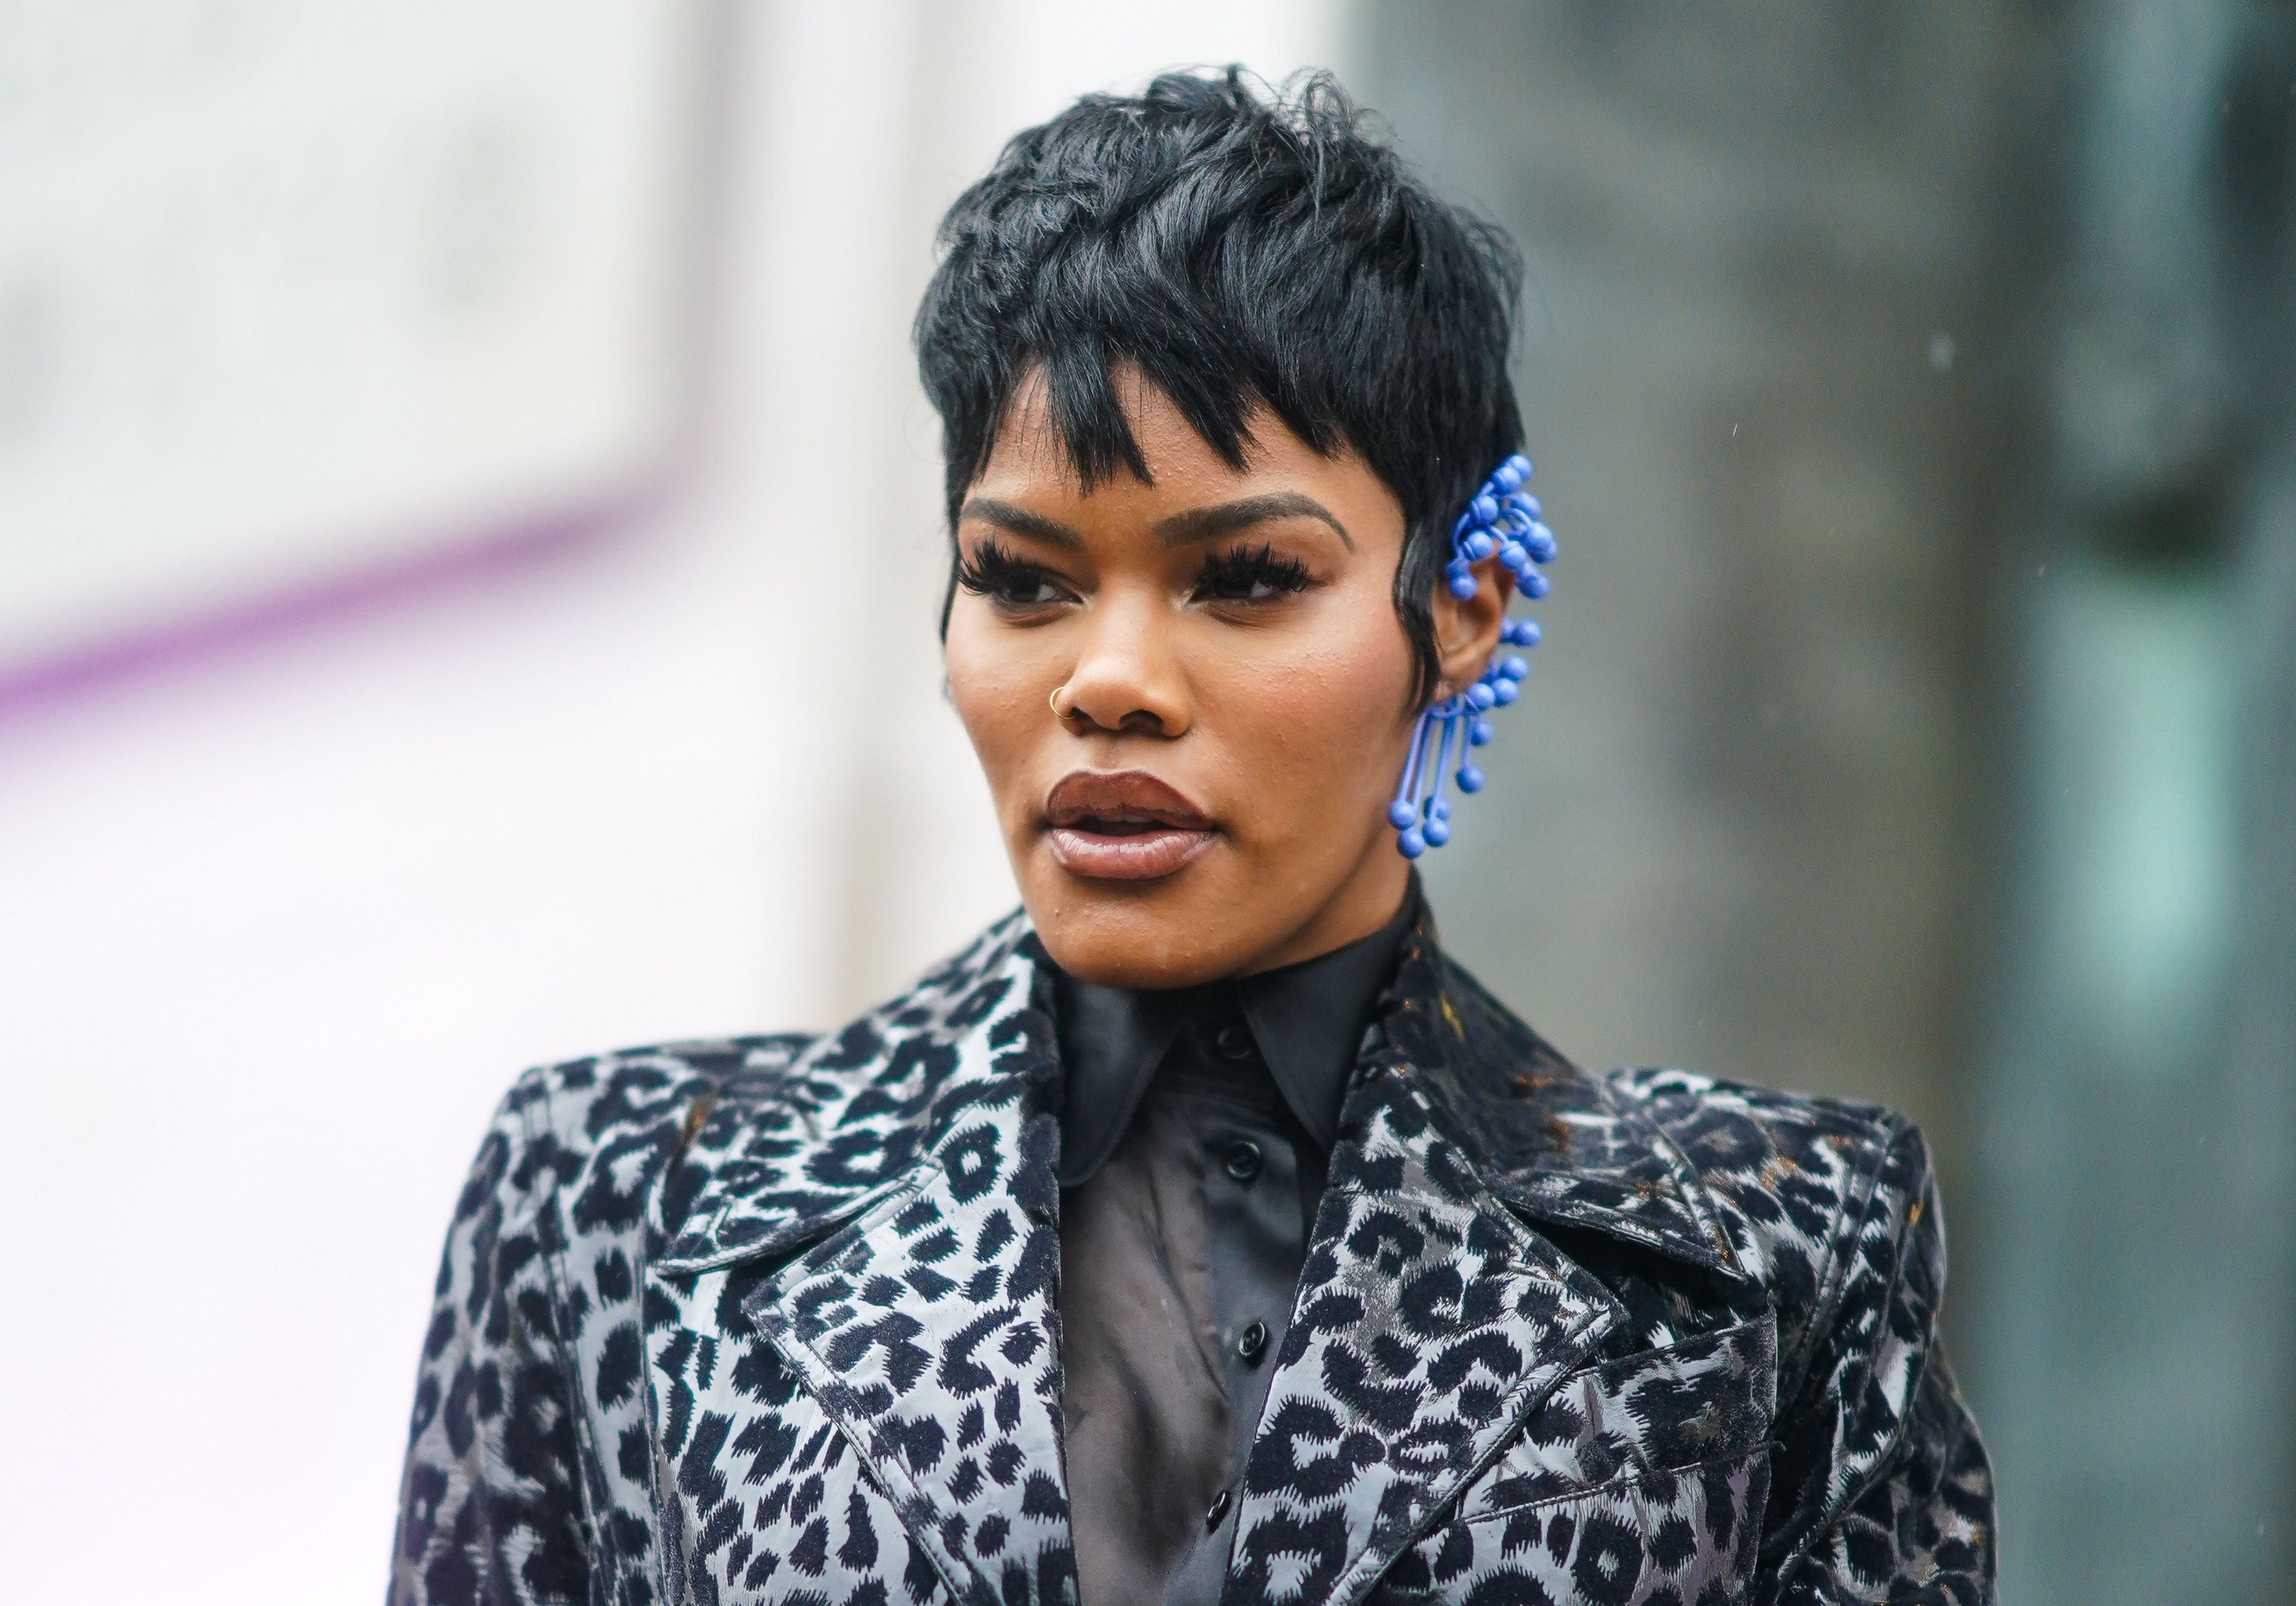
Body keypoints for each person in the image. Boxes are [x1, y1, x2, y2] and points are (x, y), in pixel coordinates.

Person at [389, 69, 1995, 1606]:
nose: (1110, 680)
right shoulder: (618, 1195)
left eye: (1246, 579)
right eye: (1024, 579)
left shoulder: (1776, 1250)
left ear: (1461, 614)